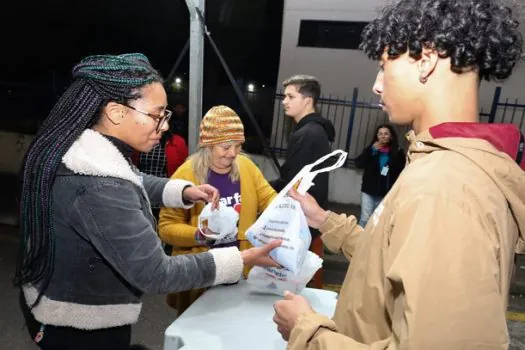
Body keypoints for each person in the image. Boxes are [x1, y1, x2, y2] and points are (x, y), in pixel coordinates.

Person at [272, 0, 525, 348]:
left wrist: (307, 331)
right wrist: (326, 220)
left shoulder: (444, 188)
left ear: (426, 60)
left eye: (383, 66)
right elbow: (392, 261)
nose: (377, 85)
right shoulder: (437, 166)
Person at [14, 53, 280, 350]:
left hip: (59, 303)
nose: (165, 125)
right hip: (82, 327)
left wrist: (183, 191)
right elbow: (156, 273)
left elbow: (132, 178)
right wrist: (239, 260)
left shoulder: (86, 153)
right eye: (158, 114)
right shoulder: (99, 186)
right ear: (116, 112)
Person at [159, 105, 277, 315]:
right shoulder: (186, 174)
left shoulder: (247, 168)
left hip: (240, 269)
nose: (232, 154)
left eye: (238, 146)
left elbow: (270, 201)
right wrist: (200, 235)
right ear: (208, 145)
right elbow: (167, 228)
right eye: (225, 147)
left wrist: (288, 206)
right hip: (201, 273)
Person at [270, 74, 335, 239]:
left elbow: (292, 181)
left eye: (291, 96)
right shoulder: (314, 130)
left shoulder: (308, 133)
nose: (284, 101)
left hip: (300, 220)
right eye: (285, 96)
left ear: (308, 100)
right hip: (307, 218)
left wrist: (260, 186)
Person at [133, 119, 189, 219]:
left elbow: (184, 168)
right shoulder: (139, 141)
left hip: (165, 191)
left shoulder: (177, 142)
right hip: (143, 192)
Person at [355, 124, 405, 227]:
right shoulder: (371, 149)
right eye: (380, 134)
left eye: (386, 134)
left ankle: (374, 241)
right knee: (365, 218)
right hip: (369, 191)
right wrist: (372, 150)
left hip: (386, 193)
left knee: (379, 221)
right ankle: (359, 241)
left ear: (391, 136)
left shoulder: (398, 152)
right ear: (377, 136)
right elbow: (359, 164)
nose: (383, 136)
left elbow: (401, 171)